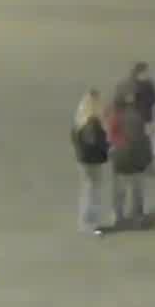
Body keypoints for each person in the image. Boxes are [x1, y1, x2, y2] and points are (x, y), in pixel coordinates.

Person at [106, 68, 155, 229]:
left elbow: (110, 136)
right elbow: (142, 139)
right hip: (133, 156)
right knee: (135, 189)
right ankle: (136, 217)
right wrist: (147, 159)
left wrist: (116, 146)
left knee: (121, 189)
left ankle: (118, 215)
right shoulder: (135, 116)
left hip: (121, 156)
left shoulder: (115, 114)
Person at [68, 91, 112, 232]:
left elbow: (75, 139)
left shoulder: (79, 120)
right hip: (93, 161)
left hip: (83, 160)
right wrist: (108, 144)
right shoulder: (92, 123)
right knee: (93, 193)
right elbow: (96, 142)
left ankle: (85, 222)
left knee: (88, 190)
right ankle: (91, 223)